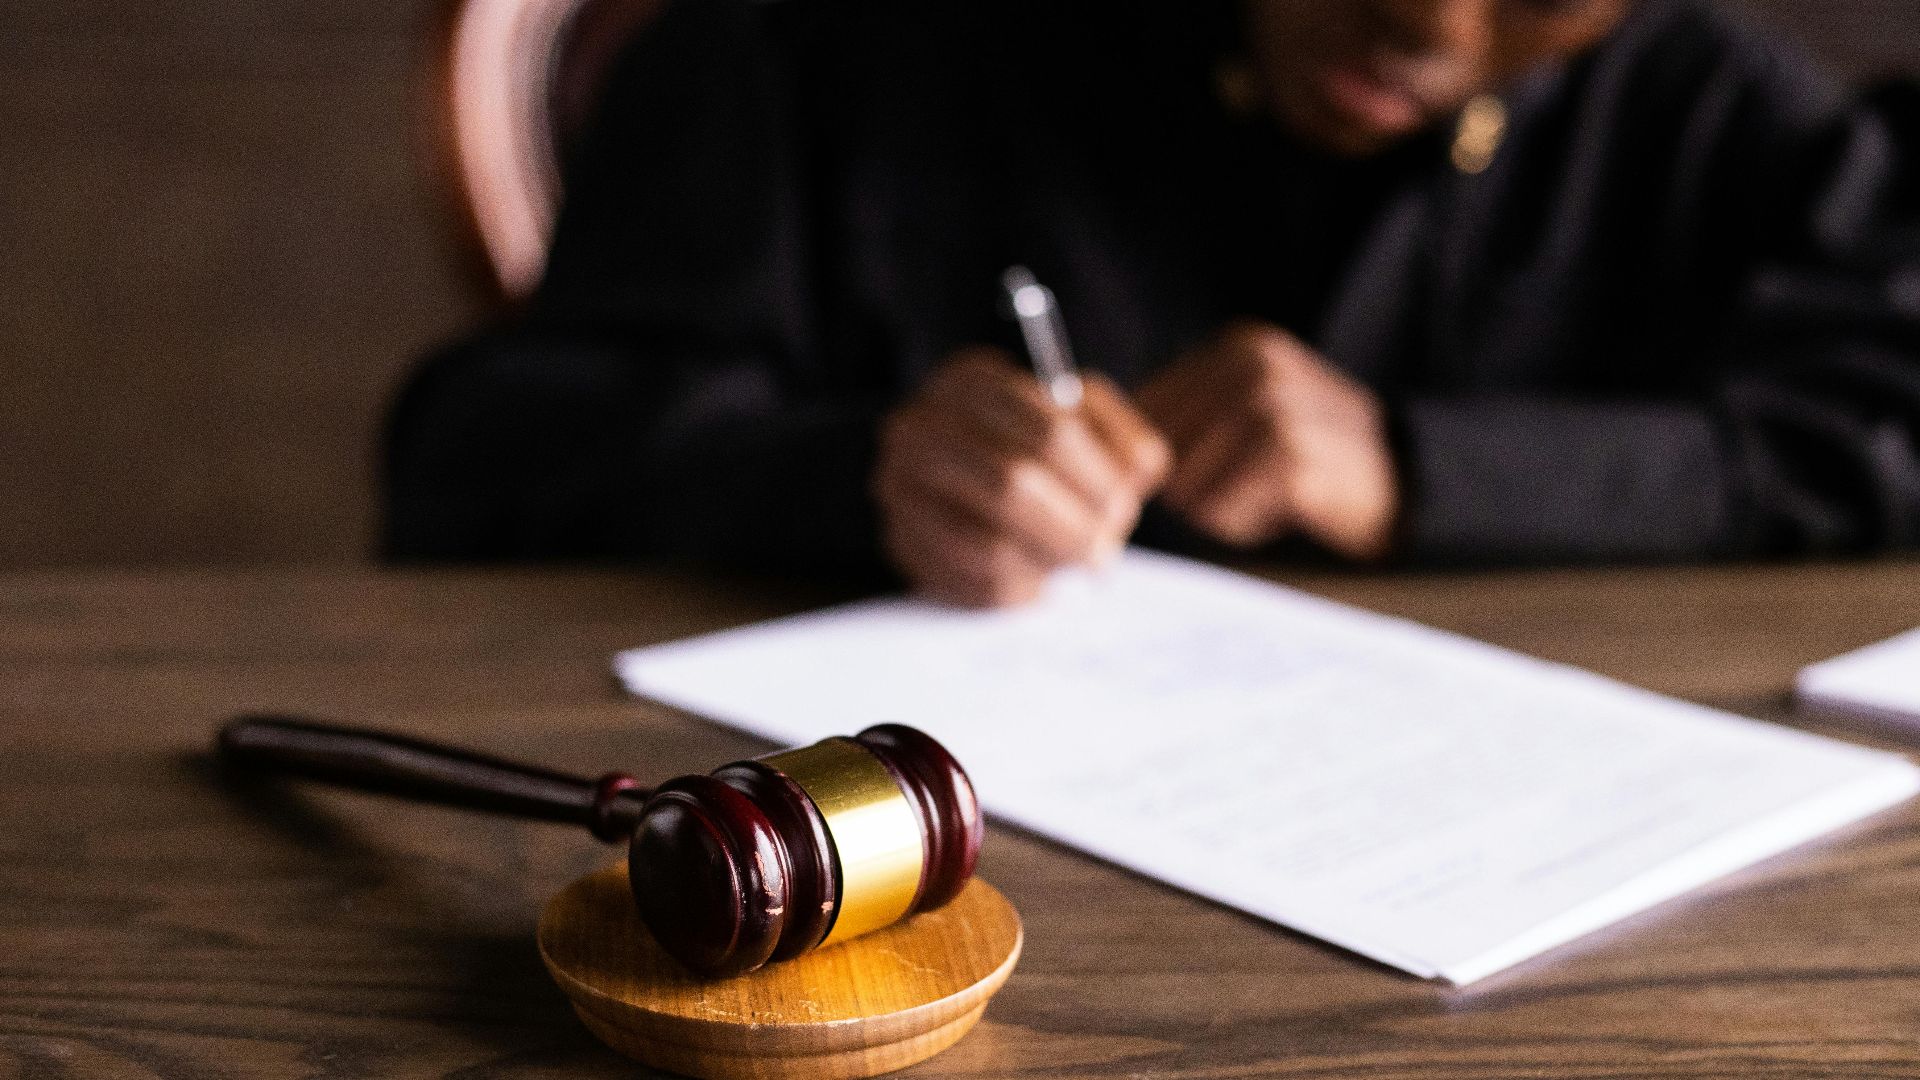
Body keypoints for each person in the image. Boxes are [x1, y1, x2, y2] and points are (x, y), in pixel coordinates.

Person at [385, 0, 1920, 606]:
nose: (1431, 19)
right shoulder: (821, 45)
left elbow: (1882, 434)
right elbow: (477, 464)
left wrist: (1421, 465)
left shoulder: (1700, 109)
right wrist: (857, 474)